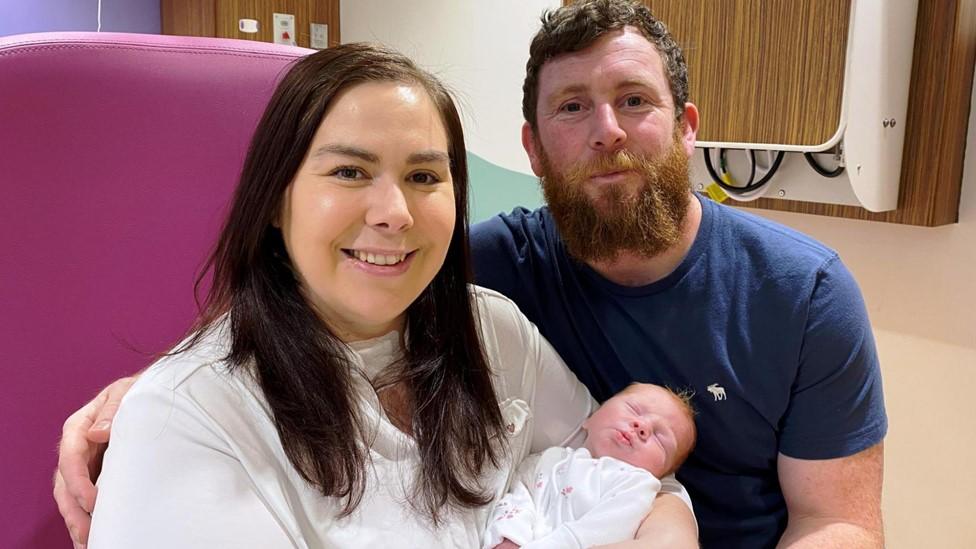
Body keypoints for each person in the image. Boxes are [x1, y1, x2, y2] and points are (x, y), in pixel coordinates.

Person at [55, 1, 887, 547]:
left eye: (635, 100)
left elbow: (839, 521)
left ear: (686, 129)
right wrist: (153, 391)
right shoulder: (493, 274)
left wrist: (668, 520)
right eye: (571, 107)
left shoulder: (801, 293)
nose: (395, 214)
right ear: (531, 149)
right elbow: (312, 309)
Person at [74, 42, 695, 548]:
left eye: (424, 176)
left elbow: (620, 466)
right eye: (349, 171)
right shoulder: (190, 418)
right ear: (273, 199)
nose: (395, 212)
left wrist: (670, 528)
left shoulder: (492, 331)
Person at [483, 383, 697, 549]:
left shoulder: (637, 485)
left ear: (661, 475)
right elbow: (518, 498)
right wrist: (508, 536)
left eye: (660, 438)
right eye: (634, 409)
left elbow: (601, 530)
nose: (641, 426)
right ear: (591, 417)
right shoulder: (547, 459)